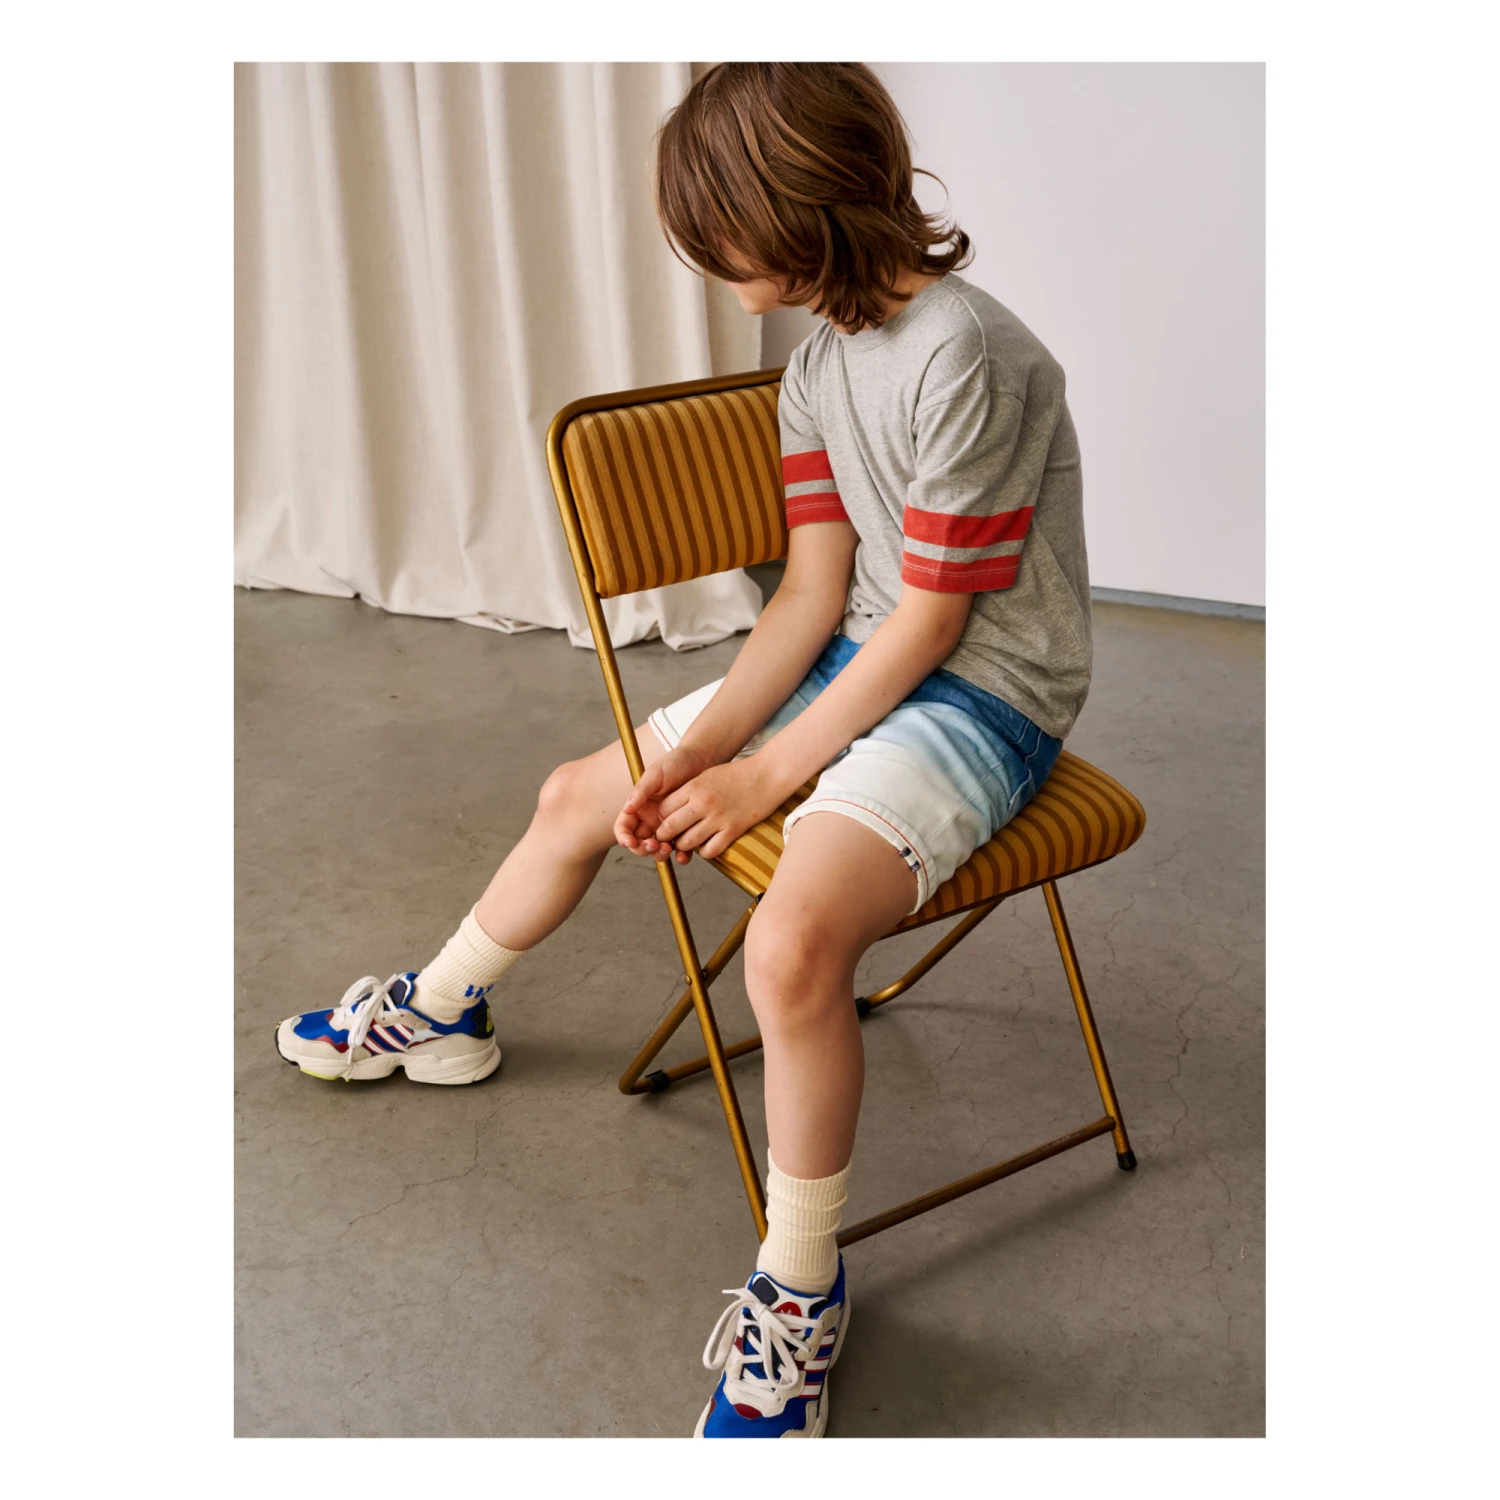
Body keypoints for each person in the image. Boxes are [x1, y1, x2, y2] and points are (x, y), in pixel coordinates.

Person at [274, 61, 1093, 1439]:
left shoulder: (970, 354)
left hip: (987, 689)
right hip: (859, 650)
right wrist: (700, 746)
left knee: (790, 944)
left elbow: (937, 621)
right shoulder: (819, 363)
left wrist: (766, 774)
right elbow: (814, 597)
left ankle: (802, 1288)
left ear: (801, 205)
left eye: (720, 233)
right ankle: (447, 1008)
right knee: (577, 793)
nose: (708, 264)